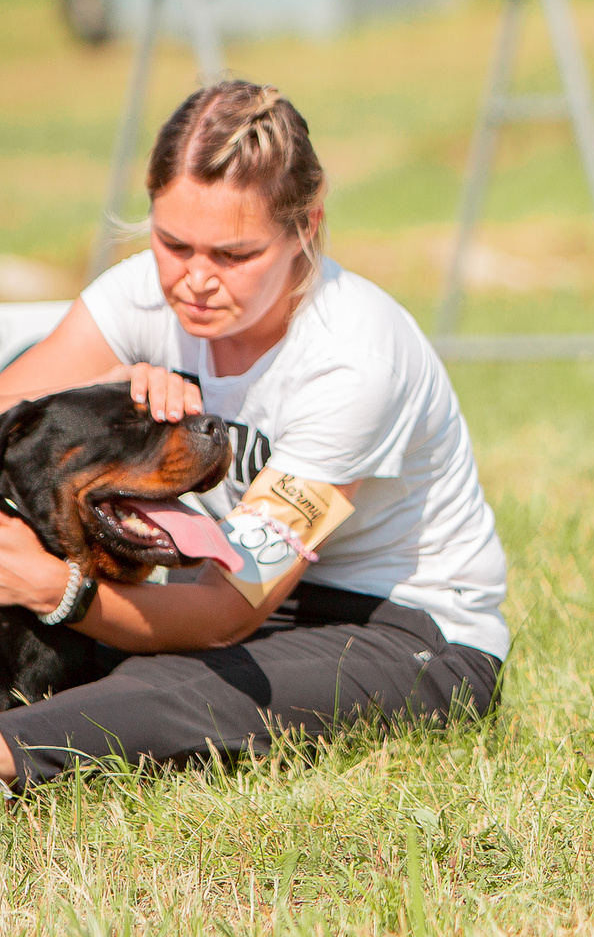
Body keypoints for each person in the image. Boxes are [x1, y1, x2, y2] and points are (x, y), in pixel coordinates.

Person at [0, 82, 507, 791]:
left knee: (182, 690)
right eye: (173, 243)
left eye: (234, 254)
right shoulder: (143, 294)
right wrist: (111, 387)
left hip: (401, 632)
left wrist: (58, 589)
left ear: (306, 225)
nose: (195, 279)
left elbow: (223, 613)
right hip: (224, 602)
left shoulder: (352, 359)